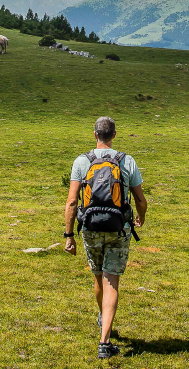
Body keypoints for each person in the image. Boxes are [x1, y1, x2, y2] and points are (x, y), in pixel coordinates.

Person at [64, 116, 148, 360]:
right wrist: (141, 217)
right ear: (114, 135)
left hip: (90, 227)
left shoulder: (82, 161)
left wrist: (69, 235)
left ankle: (103, 318)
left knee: (98, 276)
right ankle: (105, 341)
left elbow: (72, 201)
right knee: (112, 279)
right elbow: (140, 199)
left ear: (95, 134)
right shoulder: (126, 160)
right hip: (119, 228)